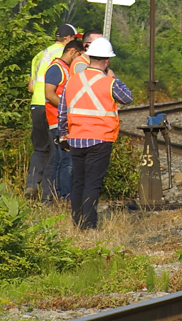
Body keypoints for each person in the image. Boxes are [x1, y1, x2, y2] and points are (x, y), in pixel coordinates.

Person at [59, 37, 133, 229]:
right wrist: (113, 76)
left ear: (89, 56)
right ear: (107, 61)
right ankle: (89, 225)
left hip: (76, 139)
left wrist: (64, 133)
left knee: (78, 183)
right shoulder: (109, 82)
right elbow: (128, 97)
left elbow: (62, 110)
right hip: (100, 140)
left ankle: (77, 222)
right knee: (92, 184)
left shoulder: (72, 81)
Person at [25, 24, 75, 199]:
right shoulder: (64, 57)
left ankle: (31, 185)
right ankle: (49, 193)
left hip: (36, 106)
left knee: (40, 149)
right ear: (68, 39)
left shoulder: (40, 55)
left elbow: (31, 87)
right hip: (52, 106)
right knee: (55, 152)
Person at [42, 37, 85, 202]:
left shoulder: (65, 68)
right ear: (72, 51)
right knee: (66, 161)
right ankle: (65, 196)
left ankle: (55, 195)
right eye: (79, 55)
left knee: (61, 160)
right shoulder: (57, 68)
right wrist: (66, 108)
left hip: (61, 120)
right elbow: (49, 93)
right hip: (56, 120)